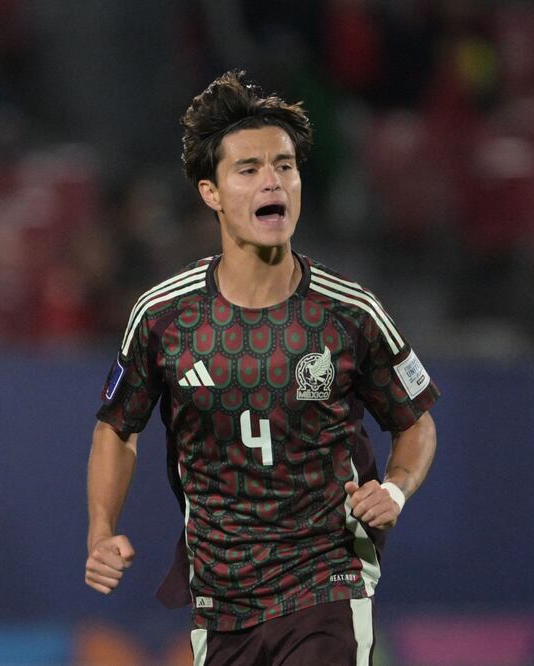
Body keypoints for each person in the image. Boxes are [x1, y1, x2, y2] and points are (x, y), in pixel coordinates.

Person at [85, 70, 439, 666]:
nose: (272, 180)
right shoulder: (163, 318)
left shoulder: (350, 313)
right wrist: (101, 528)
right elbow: (116, 428)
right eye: (249, 169)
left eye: (285, 165)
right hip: (220, 602)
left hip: (327, 581)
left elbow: (416, 420)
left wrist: (396, 491)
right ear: (211, 193)